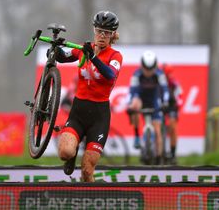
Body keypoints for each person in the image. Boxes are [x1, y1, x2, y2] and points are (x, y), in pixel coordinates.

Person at [55, 11, 123, 182]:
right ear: (94, 30)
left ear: (112, 34)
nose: (102, 36)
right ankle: (73, 152)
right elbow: (63, 57)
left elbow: (110, 74)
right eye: (99, 31)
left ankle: (91, 199)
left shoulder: (115, 56)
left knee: (87, 170)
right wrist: (56, 47)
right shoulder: (84, 49)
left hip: (99, 118)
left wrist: (92, 57)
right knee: (65, 152)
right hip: (78, 111)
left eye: (106, 33)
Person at [127, 50, 169, 165]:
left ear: (155, 66)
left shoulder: (160, 74)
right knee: (134, 104)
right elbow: (131, 92)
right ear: (142, 66)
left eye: (151, 69)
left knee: (157, 131)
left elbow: (165, 90)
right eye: (146, 69)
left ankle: (159, 157)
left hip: (155, 101)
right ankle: (136, 135)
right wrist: (129, 105)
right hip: (141, 99)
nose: (149, 72)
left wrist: (165, 103)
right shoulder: (137, 74)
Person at [162, 64, 183, 164]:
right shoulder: (159, 82)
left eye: (168, 74)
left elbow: (180, 96)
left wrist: (177, 106)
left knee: (173, 127)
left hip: (172, 106)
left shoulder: (174, 83)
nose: (167, 76)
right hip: (161, 105)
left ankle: (173, 154)